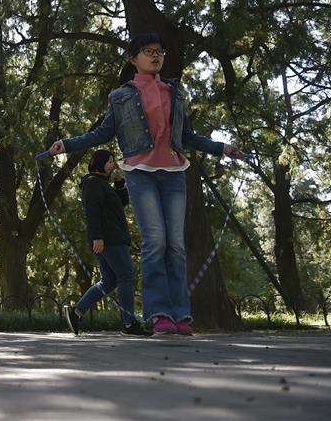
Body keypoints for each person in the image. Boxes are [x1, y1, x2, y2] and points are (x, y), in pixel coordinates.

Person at [50, 33, 243, 336]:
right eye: (148, 51)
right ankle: (160, 314)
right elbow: (101, 133)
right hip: (140, 173)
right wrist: (68, 143)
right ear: (133, 58)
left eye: (159, 51)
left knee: (176, 246)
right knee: (156, 241)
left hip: (174, 173)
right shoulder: (121, 95)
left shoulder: (175, 92)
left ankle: (181, 316)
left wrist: (222, 148)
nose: (155, 56)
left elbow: (188, 136)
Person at [64, 150, 151, 337]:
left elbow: (121, 203)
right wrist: (97, 237)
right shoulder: (92, 183)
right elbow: (92, 211)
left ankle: (76, 312)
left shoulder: (103, 185)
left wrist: (119, 185)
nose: (112, 165)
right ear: (100, 163)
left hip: (112, 238)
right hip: (109, 239)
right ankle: (129, 323)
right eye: (110, 161)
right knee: (126, 277)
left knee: (109, 281)